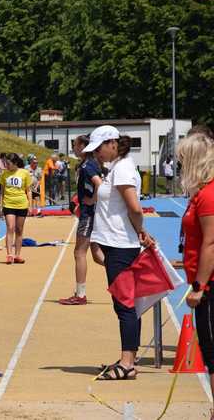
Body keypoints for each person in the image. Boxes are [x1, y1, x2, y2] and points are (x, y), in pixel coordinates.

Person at [83, 125, 154, 380]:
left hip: (122, 245)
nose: (97, 154)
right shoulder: (116, 166)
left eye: (99, 148)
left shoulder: (122, 167)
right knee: (124, 304)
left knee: (125, 305)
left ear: (112, 143)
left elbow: (134, 206)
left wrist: (141, 231)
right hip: (115, 243)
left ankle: (128, 363)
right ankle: (128, 358)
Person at [180, 134, 214, 418]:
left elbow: (211, 243)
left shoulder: (208, 195)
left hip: (210, 286)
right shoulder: (201, 194)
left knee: (213, 353)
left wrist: (199, 286)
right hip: (203, 279)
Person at [59, 135, 105, 305]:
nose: (73, 148)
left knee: (79, 252)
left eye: (75, 145)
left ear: (84, 146)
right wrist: (77, 198)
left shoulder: (87, 165)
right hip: (90, 212)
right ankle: (125, 276)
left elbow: (99, 184)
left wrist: (91, 201)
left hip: (89, 214)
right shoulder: (89, 164)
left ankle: (80, 295)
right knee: (97, 255)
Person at [0, 153, 31, 264]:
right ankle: (9, 254)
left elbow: (28, 190)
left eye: (8, 164)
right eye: (5, 163)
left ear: (15, 163)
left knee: (19, 230)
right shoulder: (4, 174)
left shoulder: (24, 173)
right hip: (8, 204)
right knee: (10, 227)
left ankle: (17, 255)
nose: (6, 166)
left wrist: (30, 205)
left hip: (22, 204)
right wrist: (1, 204)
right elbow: (2, 191)